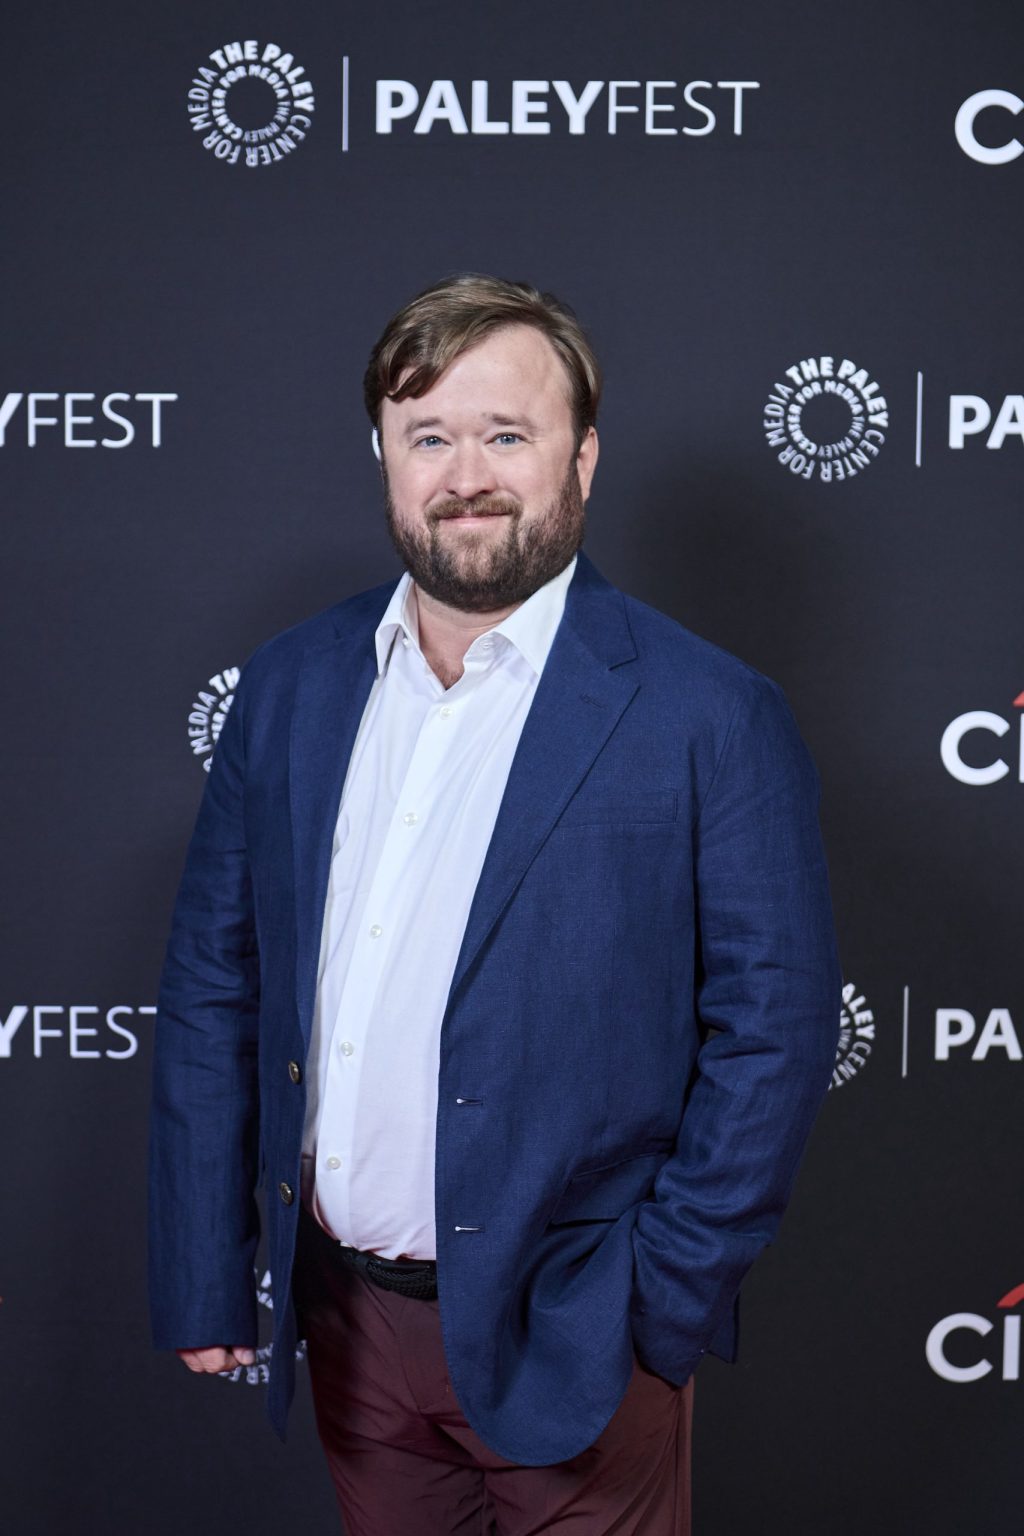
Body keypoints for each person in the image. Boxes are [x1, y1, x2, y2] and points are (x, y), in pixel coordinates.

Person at [148, 272, 842, 1535]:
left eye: (506, 434)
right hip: (348, 1330)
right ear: (384, 459)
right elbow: (215, 984)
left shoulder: (707, 713)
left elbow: (775, 1036)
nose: (466, 472)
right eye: (429, 436)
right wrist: (210, 1274)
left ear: (582, 457)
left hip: (582, 1336)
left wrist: (656, 1306)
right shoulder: (294, 683)